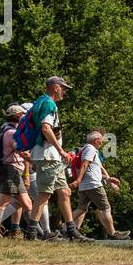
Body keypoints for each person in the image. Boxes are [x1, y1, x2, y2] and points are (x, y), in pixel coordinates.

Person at [28, 76, 91, 242]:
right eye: (63, 88)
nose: (64, 92)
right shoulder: (49, 104)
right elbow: (46, 128)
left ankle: (71, 230)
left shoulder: (40, 101)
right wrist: (61, 150)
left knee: (64, 192)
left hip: (52, 158)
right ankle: (32, 233)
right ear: (55, 87)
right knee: (43, 195)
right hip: (49, 157)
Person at [0, 104, 37, 239]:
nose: (24, 118)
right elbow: (20, 150)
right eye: (23, 115)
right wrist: (35, 162)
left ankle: (36, 233)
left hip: (10, 170)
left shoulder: (4, 130)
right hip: (12, 170)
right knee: (2, 204)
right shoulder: (12, 133)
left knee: (27, 203)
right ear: (18, 116)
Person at [72, 129, 129, 240]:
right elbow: (84, 165)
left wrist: (107, 178)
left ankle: (64, 228)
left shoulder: (85, 149)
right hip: (93, 185)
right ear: (97, 141)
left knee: (81, 209)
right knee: (106, 208)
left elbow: (93, 170)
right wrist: (78, 180)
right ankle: (113, 234)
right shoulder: (90, 149)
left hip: (85, 185)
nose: (102, 143)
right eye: (101, 141)